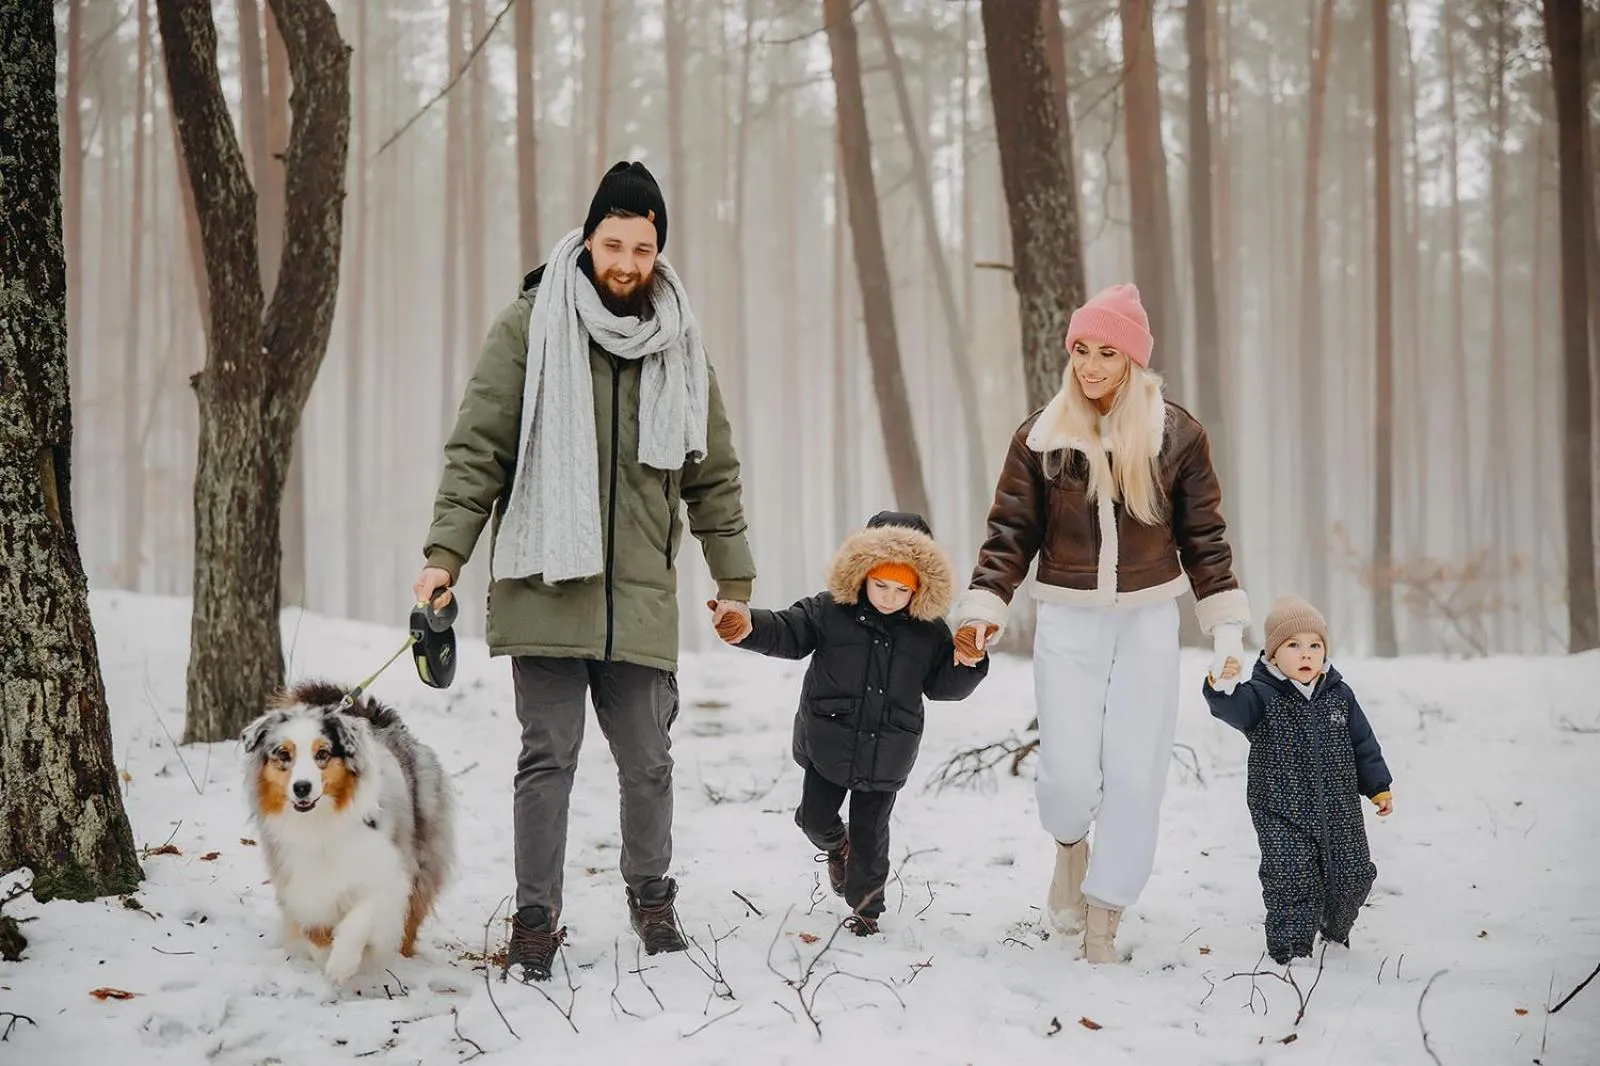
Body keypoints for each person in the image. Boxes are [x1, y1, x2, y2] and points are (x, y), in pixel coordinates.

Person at [413, 161, 757, 983]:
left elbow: (712, 473)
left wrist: (734, 579)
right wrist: (443, 557)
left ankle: (651, 900)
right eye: (614, 243)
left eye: (644, 247)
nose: (628, 262)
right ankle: (536, 919)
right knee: (548, 758)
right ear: (590, 238)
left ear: (659, 251)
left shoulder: (679, 340)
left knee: (649, 761)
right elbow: (479, 450)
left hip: (639, 596)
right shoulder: (530, 326)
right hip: (545, 583)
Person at [951, 283, 1251, 964]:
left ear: (1132, 360)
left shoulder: (1178, 434)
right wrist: (984, 609)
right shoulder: (1042, 435)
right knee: (1065, 774)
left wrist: (1226, 632)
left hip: (1148, 622)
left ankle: (1105, 916)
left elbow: (1205, 538)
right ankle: (1069, 848)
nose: (1089, 366)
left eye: (1106, 352)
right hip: (1068, 620)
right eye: (1081, 350)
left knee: (1135, 773)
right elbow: (1008, 533)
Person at [713, 511, 990, 935]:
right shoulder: (829, 610)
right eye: (880, 584)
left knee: (871, 837)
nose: (889, 597)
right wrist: (749, 627)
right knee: (814, 820)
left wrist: (969, 662)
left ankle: (865, 911)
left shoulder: (929, 631)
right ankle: (836, 847)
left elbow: (942, 685)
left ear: (919, 586)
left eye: (901, 589)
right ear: (861, 573)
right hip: (829, 741)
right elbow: (788, 630)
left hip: (888, 752)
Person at [1204, 595, 1394, 965]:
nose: (1306, 654)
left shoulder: (1339, 696)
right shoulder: (1260, 696)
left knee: (1353, 876)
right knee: (1292, 879)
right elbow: (1229, 707)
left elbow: (1363, 744)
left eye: (1315, 645)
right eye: (1293, 645)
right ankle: (1292, 954)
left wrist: (1377, 786)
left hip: (1340, 810)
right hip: (1280, 810)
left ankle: (1335, 931)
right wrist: (1220, 685)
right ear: (1273, 655)